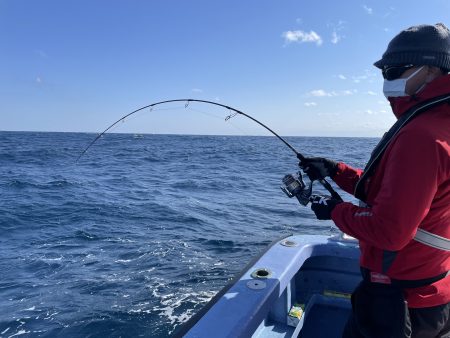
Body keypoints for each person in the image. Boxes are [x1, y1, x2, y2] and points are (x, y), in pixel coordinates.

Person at [301, 23, 450, 338]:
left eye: (396, 70)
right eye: (385, 72)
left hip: (399, 303)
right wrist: (336, 170)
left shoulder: (421, 136)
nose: (388, 79)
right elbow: (393, 193)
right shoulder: (437, 123)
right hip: (431, 291)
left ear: (433, 71)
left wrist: (334, 212)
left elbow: (389, 231)